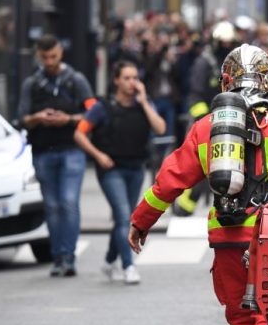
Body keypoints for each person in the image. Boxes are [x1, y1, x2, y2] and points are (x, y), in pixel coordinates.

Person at [128, 44, 268, 325]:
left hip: (226, 238)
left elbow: (169, 180)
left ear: (225, 82)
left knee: (240, 324)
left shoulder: (206, 128)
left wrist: (141, 221)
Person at [73, 61, 165, 284]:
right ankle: (128, 266)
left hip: (135, 168)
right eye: (126, 78)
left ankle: (109, 260)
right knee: (124, 215)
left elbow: (161, 128)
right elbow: (80, 134)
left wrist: (143, 101)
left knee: (123, 219)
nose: (132, 82)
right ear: (116, 80)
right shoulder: (102, 107)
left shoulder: (143, 104)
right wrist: (98, 155)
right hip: (111, 169)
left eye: (135, 77)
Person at [18, 34, 96, 277]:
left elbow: (94, 113)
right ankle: (58, 256)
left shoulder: (76, 80)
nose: (50, 62)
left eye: (53, 56)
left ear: (60, 52)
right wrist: (38, 117)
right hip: (43, 151)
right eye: (44, 58)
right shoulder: (31, 84)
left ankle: (69, 257)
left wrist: (68, 119)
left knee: (68, 203)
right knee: (51, 206)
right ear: (38, 57)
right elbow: (22, 118)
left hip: (71, 149)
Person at [172, 21, 237, 217]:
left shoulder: (234, 64)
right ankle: (183, 208)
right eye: (223, 42)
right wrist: (204, 119)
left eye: (229, 42)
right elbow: (195, 94)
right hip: (208, 123)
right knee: (200, 167)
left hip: (231, 121)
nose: (226, 46)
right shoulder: (205, 62)